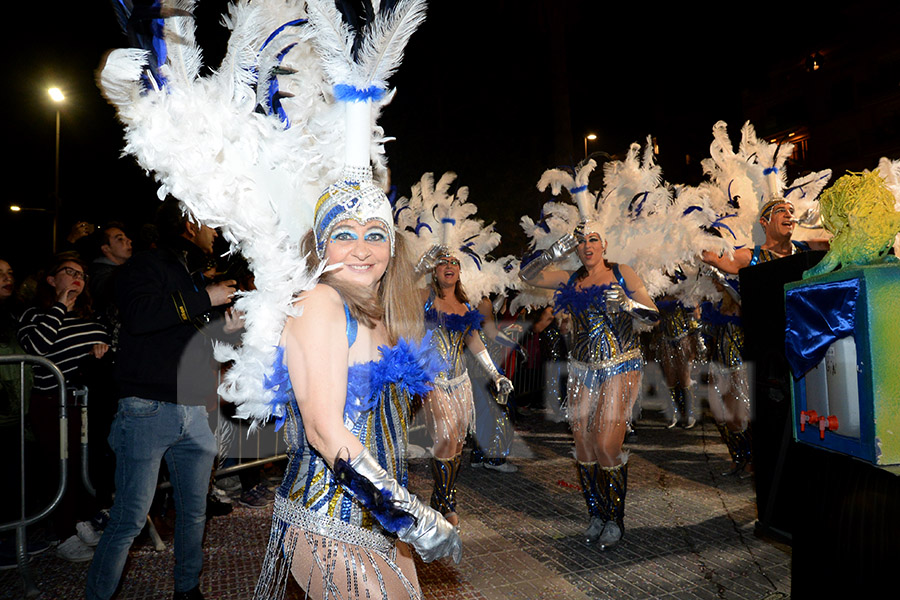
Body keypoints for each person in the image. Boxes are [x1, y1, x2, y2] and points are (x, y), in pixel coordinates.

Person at [254, 169, 461, 600]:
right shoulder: (319, 301)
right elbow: (324, 430)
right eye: (345, 233)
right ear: (320, 244)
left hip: (382, 516)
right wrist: (411, 517)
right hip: (329, 518)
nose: (362, 249)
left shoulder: (382, 313)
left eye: (376, 234)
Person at [85, 198, 240, 600]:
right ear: (189, 223)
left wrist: (228, 325)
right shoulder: (145, 265)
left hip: (194, 407)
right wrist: (206, 297)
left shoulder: (188, 274)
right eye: (210, 223)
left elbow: (187, 337)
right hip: (147, 408)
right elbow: (140, 316)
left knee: (195, 511)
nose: (217, 233)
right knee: (129, 519)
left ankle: (187, 590)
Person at [519, 224, 658, 550]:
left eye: (593, 239)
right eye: (580, 241)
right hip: (582, 368)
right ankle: (596, 513)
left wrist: (627, 303)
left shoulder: (622, 272)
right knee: (583, 445)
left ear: (604, 244)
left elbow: (653, 316)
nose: (586, 245)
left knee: (606, 445)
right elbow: (527, 276)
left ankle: (615, 518)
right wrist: (552, 253)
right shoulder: (569, 277)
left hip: (621, 365)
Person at [16, 256, 110, 562]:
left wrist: (102, 349)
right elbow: (37, 349)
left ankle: (82, 520)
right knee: (59, 467)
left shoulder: (88, 315)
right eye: (68, 272)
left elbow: (104, 342)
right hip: (51, 403)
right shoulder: (34, 314)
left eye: (81, 274)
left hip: (85, 401)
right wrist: (59, 305)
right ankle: (63, 534)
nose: (77, 277)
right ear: (51, 279)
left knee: (84, 464)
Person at [419, 250, 513, 528]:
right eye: (442, 262)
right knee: (446, 437)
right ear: (433, 270)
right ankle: (446, 506)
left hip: (460, 383)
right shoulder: (424, 297)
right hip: (431, 381)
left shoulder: (464, 304)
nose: (449, 266)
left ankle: (442, 500)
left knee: (457, 443)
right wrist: (419, 265)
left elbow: (475, 342)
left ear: (460, 270)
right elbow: (394, 296)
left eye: (454, 262)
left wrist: (496, 375)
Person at [702, 199, 829, 273]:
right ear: (764, 221)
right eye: (780, 211)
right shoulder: (752, 257)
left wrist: (829, 222)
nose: (788, 215)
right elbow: (711, 257)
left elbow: (844, 243)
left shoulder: (809, 247)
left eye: (791, 211)